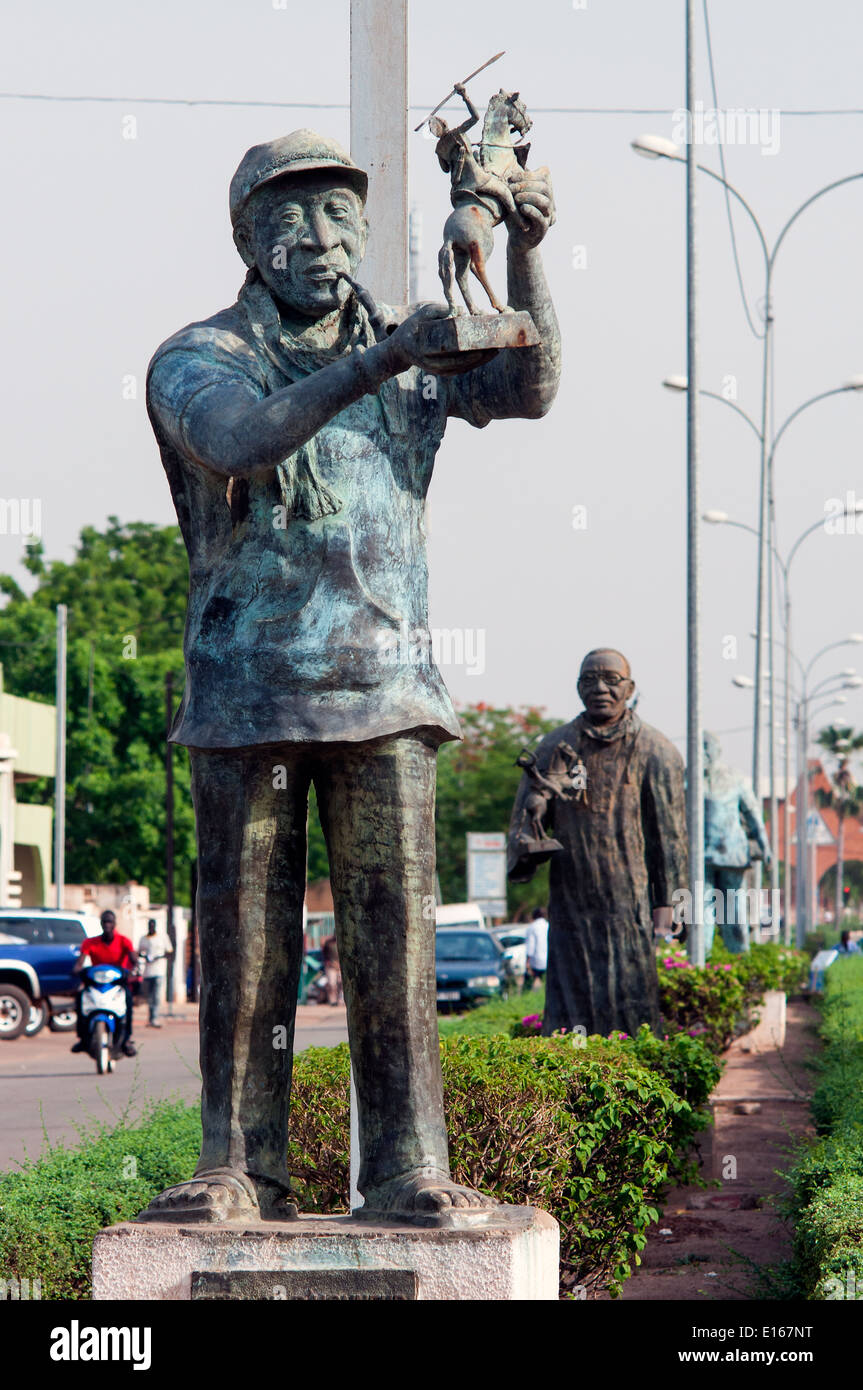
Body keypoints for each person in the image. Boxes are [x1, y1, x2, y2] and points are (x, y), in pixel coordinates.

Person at [138, 129, 559, 1225]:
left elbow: (528, 383)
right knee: (245, 953)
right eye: (287, 221)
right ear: (245, 239)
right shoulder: (200, 356)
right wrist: (381, 360)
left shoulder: (412, 348)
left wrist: (522, 250)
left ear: (368, 232)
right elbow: (237, 442)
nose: (318, 241)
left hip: (384, 693)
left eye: (338, 219)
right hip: (246, 697)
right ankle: (236, 1165)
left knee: (395, 946)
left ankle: (408, 1165)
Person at [508, 649, 688, 1038]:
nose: (600, 689)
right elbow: (524, 825)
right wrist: (529, 833)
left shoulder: (657, 751)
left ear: (630, 687)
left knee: (632, 1005)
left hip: (630, 903)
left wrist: (673, 905)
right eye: (589, 680)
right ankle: (569, 1085)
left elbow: (670, 840)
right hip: (571, 901)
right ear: (577, 687)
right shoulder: (554, 746)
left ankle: (634, 1078)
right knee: (569, 1009)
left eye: (611, 679)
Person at [702, 731, 771, 955]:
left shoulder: (735, 778)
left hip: (731, 853)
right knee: (700, 916)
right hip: (700, 856)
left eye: (706, 746)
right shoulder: (689, 778)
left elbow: (753, 814)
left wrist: (765, 845)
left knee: (734, 914)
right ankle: (700, 964)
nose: (703, 751)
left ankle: (740, 962)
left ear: (717, 750)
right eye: (699, 746)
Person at [71, 910, 137, 1056]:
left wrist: (135, 969)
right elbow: (80, 962)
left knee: (128, 1002)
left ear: (114, 924)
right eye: (104, 922)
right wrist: (76, 970)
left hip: (116, 983)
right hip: (96, 983)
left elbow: (134, 959)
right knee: (80, 998)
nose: (107, 925)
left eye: (110, 922)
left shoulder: (123, 941)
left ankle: (126, 1040)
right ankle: (82, 1039)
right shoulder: (90, 942)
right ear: (101, 924)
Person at [137, 919, 174, 1027]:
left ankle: (155, 1018)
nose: (151, 927)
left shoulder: (162, 937)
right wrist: (145, 957)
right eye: (150, 926)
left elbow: (169, 952)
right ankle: (151, 1018)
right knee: (149, 996)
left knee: (156, 995)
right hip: (147, 972)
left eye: (153, 926)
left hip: (159, 970)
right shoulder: (143, 939)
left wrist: (158, 957)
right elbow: (139, 953)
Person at [522, 907, 549, 992]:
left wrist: (527, 962)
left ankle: (527, 995)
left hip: (536, 960)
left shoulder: (532, 927)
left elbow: (531, 946)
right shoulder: (548, 926)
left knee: (531, 980)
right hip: (548, 959)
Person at [320, 933, 342, 1005]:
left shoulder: (343, 943)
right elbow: (324, 953)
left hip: (340, 967)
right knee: (332, 984)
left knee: (341, 984)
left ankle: (339, 1000)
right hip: (331, 966)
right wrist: (327, 962)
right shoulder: (329, 943)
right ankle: (333, 1001)